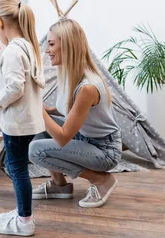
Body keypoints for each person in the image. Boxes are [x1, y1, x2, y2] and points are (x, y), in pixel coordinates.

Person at [28, 19, 122, 208]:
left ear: (69, 46)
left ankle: (101, 180)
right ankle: (58, 185)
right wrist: (50, 111)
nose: (47, 50)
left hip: (104, 150)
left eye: (52, 44)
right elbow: (76, 110)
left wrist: (37, 108)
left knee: (36, 150)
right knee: (36, 125)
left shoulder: (87, 86)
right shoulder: (70, 74)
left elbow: (63, 138)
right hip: (87, 139)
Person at [0, 0, 44, 236]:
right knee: (17, 167)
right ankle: (22, 213)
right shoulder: (28, 46)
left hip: (16, 124)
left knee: (16, 168)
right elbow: (20, 84)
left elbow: (15, 88)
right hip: (27, 121)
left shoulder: (13, 51)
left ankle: (24, 220)